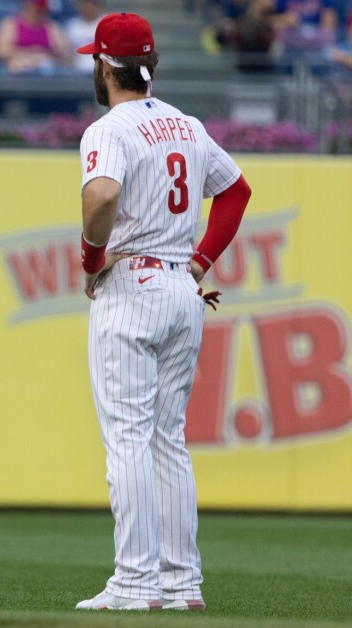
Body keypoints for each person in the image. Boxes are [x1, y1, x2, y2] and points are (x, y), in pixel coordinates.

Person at [73, 12, 252, 611]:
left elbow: (101, 194)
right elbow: (235, 190)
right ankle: (181, 583)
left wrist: (91, 257)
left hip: (133, 286)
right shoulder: (187, 124)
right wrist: (200, 263)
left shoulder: (110, 128)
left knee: (127, 439)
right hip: (181, 287)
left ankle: (133, 582)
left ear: (105, 65)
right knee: (167, 441)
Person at [0, 0, 75, 74]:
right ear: (27, 6)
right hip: (17, 74)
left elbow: (67, 57)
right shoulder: (11, 24)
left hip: (47, 73)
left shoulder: (52, 27)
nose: (42, 12)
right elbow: (1, 52)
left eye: (44, 10)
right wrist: (32, 54)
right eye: (38, 9)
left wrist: (44, 56)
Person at [63, 0, 106, 74]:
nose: (87, 6)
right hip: (76, 72)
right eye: (84, 3)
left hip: (102, 71)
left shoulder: (106, 23)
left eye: (90, 3)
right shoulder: (71, 25)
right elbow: (65, 51)